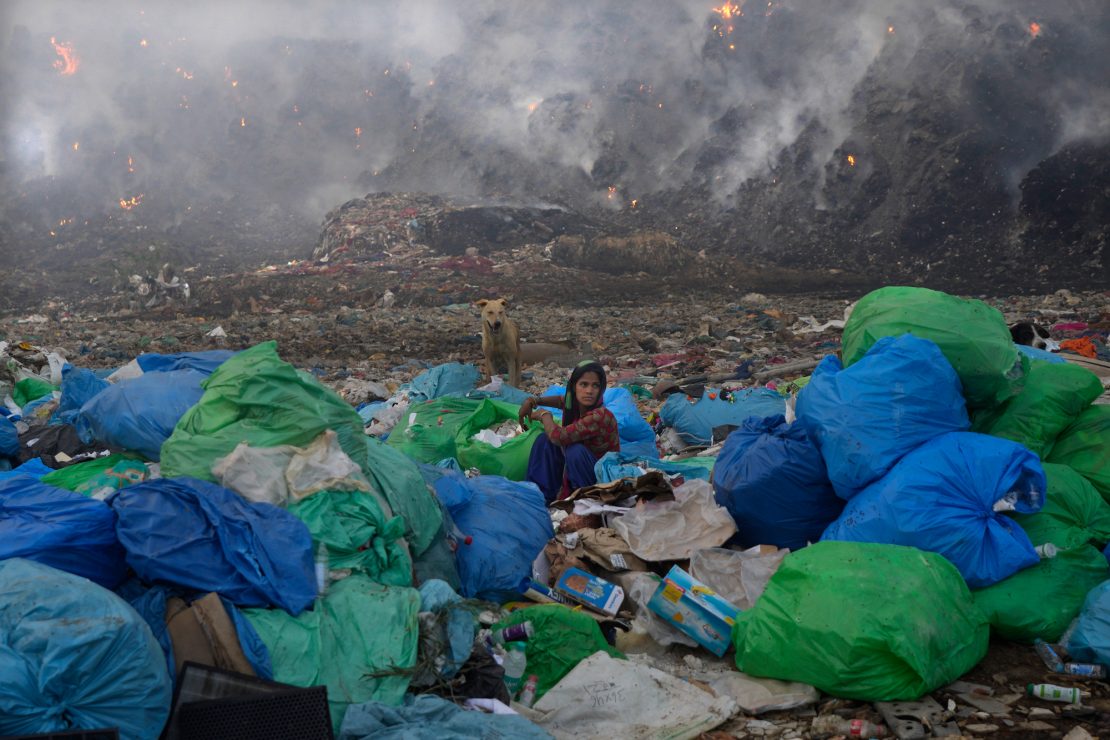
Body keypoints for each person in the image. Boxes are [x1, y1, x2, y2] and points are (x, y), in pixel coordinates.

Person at [520, 360, 620, 503]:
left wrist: (544, 415)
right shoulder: (577, 404)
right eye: (584, 384)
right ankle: (540, 496)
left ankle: (581, 500)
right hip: (584, 467)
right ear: (574, 386)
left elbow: (558, 437)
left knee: (575, 450)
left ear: (601, 389)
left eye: (595, 386)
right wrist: (533, 401)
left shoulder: (600, 416)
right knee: (544, 440)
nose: (589, 391)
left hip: (602, 480)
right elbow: (562, 401)